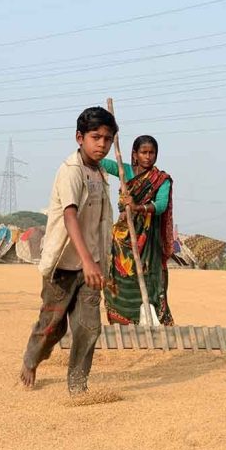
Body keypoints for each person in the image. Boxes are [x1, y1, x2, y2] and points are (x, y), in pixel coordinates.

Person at [20, 107, 115, 394]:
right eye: (95, 137)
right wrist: (86, 261)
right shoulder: (71, 172)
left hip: (92, 266)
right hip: (64, 265)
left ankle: (77, 385)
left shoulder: (99, 174)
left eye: (108, 139)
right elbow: (70, 216)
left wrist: (98, 263)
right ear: (79, 137)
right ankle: (31, 359)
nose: (102, 144)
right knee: (53, 327)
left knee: (88, 327)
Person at [99, 134, 174, 326]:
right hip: (123, 236)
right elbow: (99, 161)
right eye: (144, 152)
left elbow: (161, 205)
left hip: (148, 238)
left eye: (152, 153)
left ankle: (150, 319)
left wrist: (138, 207)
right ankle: (122, 320)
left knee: (149, 276)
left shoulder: (161, 180)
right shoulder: (125, 171)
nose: (148, 157)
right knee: (118, 275)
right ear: (135, 154)